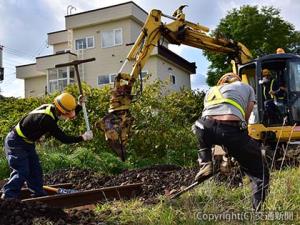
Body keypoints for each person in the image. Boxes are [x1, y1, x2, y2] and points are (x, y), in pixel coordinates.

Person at [192, 72, 269, 211]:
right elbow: (246, 117)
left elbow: (213, 120)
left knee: (202, 129)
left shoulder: (212, 90)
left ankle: (205, 163)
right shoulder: (246, 87)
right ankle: (258, 211)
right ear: (237, 80)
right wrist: (237, 145)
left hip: (203, 127)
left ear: (222, 82)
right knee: (259, 172)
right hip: (231, 129)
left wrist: (227, 147)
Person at [1, 92, 93, 199]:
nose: (70, 116)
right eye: (68, 113)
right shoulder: (46, 119)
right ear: (61, 110)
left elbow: (68, 113)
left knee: (35, 170)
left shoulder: (52, 109)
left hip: (28, 142)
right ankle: (8, 197)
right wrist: (82, 137)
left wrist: (79, 105)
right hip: (16, 142)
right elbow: (64, 138)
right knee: (22, 170)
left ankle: (38, 195)